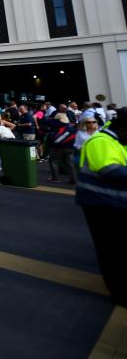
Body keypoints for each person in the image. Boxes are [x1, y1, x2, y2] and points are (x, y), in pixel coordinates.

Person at [76, 108, 127, 307]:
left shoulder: (116, 141)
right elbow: (109, 170)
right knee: (111, 249)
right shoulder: (100, 141)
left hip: (115, 203)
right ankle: (119, 291)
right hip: (100, 204)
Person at [46, 113, 77, 184]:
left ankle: (55, 178)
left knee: (53, 161)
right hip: (70, 147)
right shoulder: (72, 128)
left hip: (57, 147)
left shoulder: (57, 126)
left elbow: (47, 121)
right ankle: (73, 180)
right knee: (70, 164)